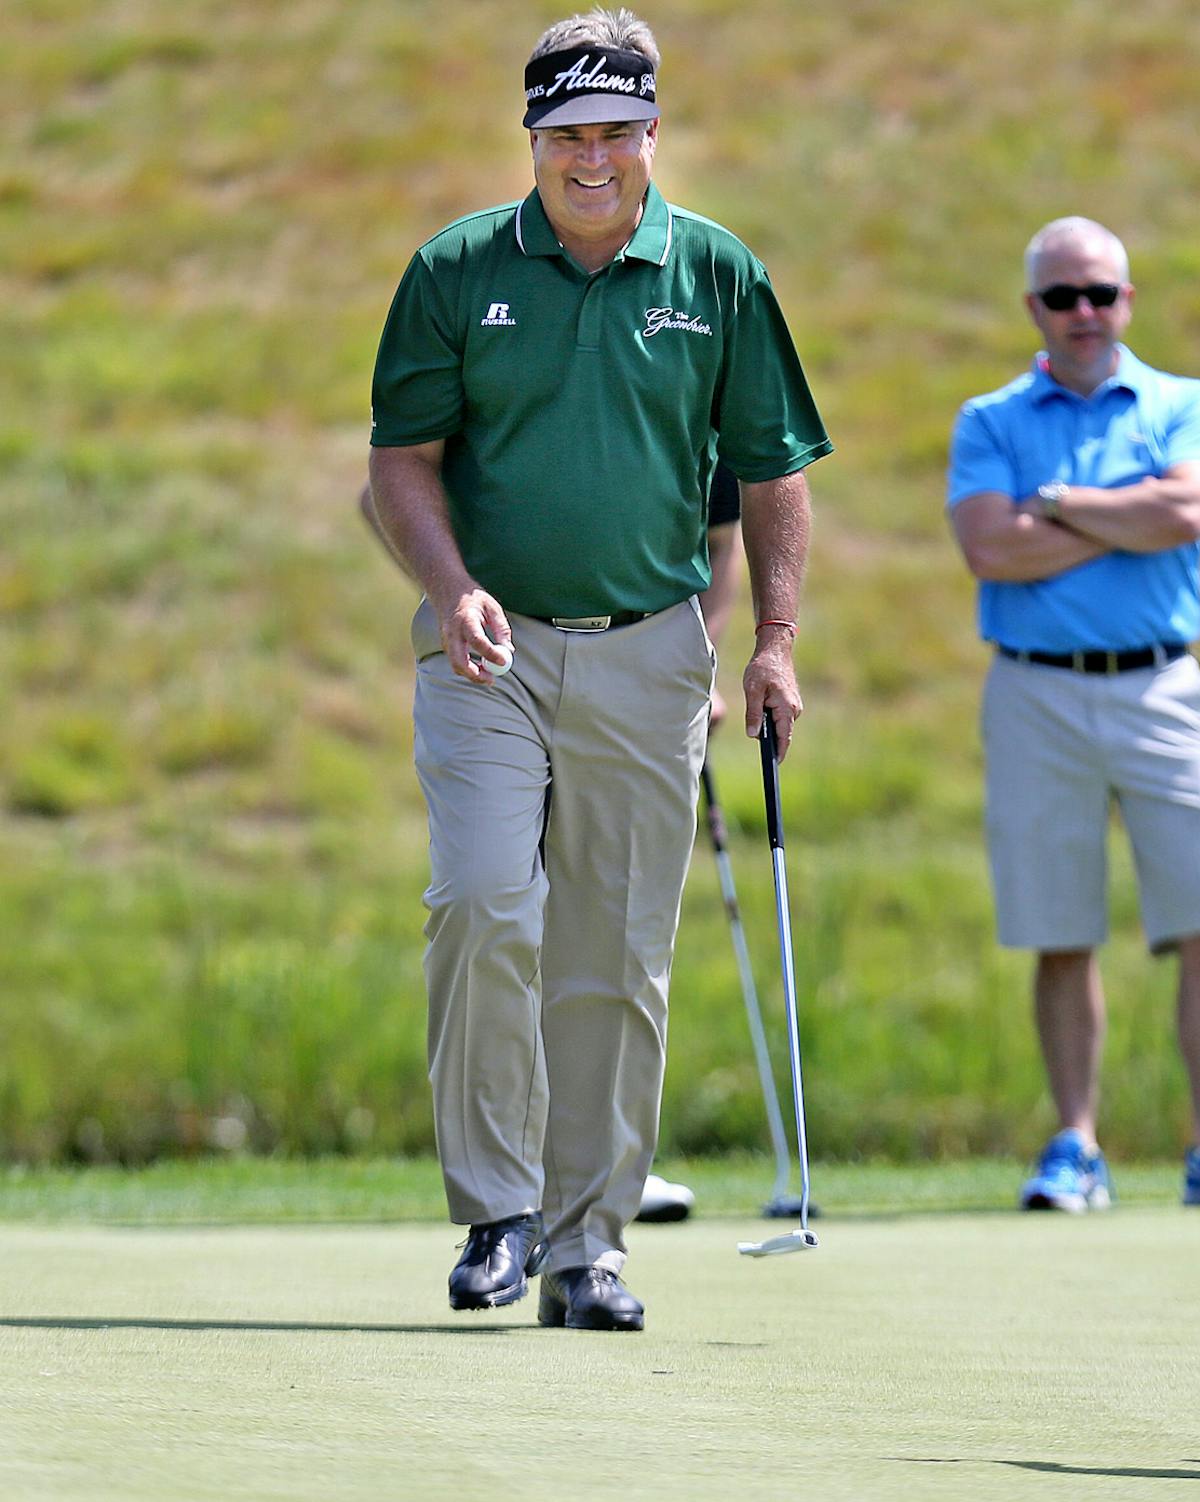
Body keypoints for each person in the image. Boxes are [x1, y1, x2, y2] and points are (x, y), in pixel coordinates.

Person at [366, 7, 829, 1331]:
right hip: (487, 648)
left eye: (617, 133)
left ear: (652, 134)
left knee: (615, 956)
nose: (592, 158)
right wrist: (449, 587)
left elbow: (771, 470)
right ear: (531, 137)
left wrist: (775, 642)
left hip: (650, 650)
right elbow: (400, 464)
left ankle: (587, 1247)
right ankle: (498, 1210)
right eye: (567, 134)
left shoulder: (718, 274)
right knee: (481, 901)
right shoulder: (458, 270)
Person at [946, 216, 1200, 1214]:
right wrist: (1122, 516)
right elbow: (990, 549)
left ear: (1128, 301)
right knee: (1059, 924)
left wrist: (1053, 504)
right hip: (1034, 687)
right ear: (1035, 310)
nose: (1085, 313)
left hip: (1161, 684)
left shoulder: (1187, 402)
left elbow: (1186, 513)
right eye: (1064, 296)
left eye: (1101, 293)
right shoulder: (991, 418)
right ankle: (1076, 1142)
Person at [356, 465, 748, 1226]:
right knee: (498, 908)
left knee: (608, 936)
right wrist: (453, 593)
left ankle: (585, 1173)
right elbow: (388, 492)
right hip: (501, 670)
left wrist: (699, 662)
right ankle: (520, 1177)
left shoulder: (690, 352)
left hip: (641, 672)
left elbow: (721, 540)